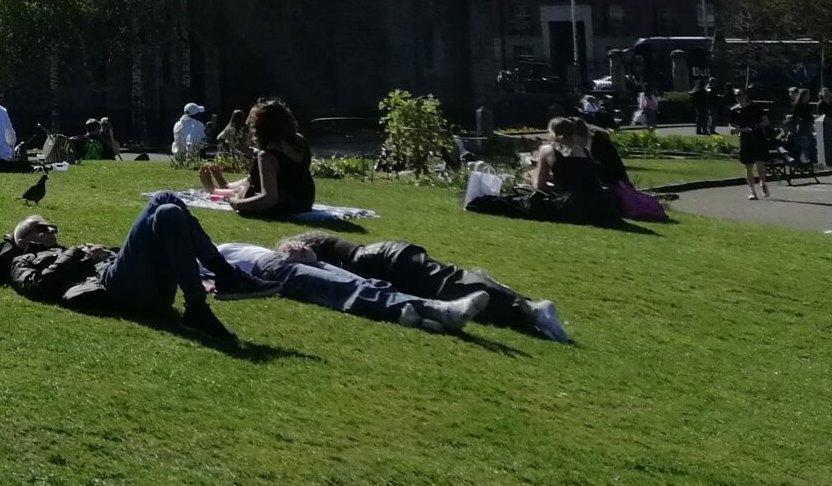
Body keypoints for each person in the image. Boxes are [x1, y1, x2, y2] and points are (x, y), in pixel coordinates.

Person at [0, 194, 236, 338]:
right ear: (23, 240)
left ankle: (197, 305)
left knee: (168, 213)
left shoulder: (65, 251)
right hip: (115, 289)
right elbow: (36, 287)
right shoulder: (22, 260)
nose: (50, 230)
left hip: (148, 289)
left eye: (52, 226)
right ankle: (227, 276)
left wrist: (107, 254)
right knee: (163, 200)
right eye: (41, 228)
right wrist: (82, 254)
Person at [276, 231, 571, 342]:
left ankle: (529, 309)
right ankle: (525, 311)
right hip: (385, 254)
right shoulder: (320, 242)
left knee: (448, 284)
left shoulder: (309, 249)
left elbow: (313, 261)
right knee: (450, 283)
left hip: (379, 258)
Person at [211, 240, 492, 336]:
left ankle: (416, 315)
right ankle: (438, 310)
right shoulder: (200, 258)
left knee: (365, 284)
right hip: (269, 271)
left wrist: (299, 250)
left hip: (285, 259)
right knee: (348, 288)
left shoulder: (220, 245)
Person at [468, 116, 621, 225]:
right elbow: (580, 179)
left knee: (515, 203)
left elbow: (539, 185)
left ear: (552, 132)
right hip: (601, 204)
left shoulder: (548, 149)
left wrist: (530, 178)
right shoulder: (584, 151)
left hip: (574, 204)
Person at [198, 97, 316, 220]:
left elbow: (268, 199)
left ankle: (215, 190)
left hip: (283, 204)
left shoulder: (267, 157)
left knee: (243, 190)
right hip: (304, 200)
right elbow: (289, 171)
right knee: (251, 181)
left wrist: (236, 204)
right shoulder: (300, 141)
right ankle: (223, 186)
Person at [733, 95, 775, 199]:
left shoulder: (756, 107)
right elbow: (731, 125)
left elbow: (766, 121)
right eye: (737, 96)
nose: (738, 98)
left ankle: (763, 183)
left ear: (745, 96)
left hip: (758, 138)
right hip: (745, 139)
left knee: (760, 163)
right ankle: (752, 191)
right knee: (748, 165)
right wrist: (741, 130)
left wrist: (756, 126)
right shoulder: (735, 110)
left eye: (740, 96)